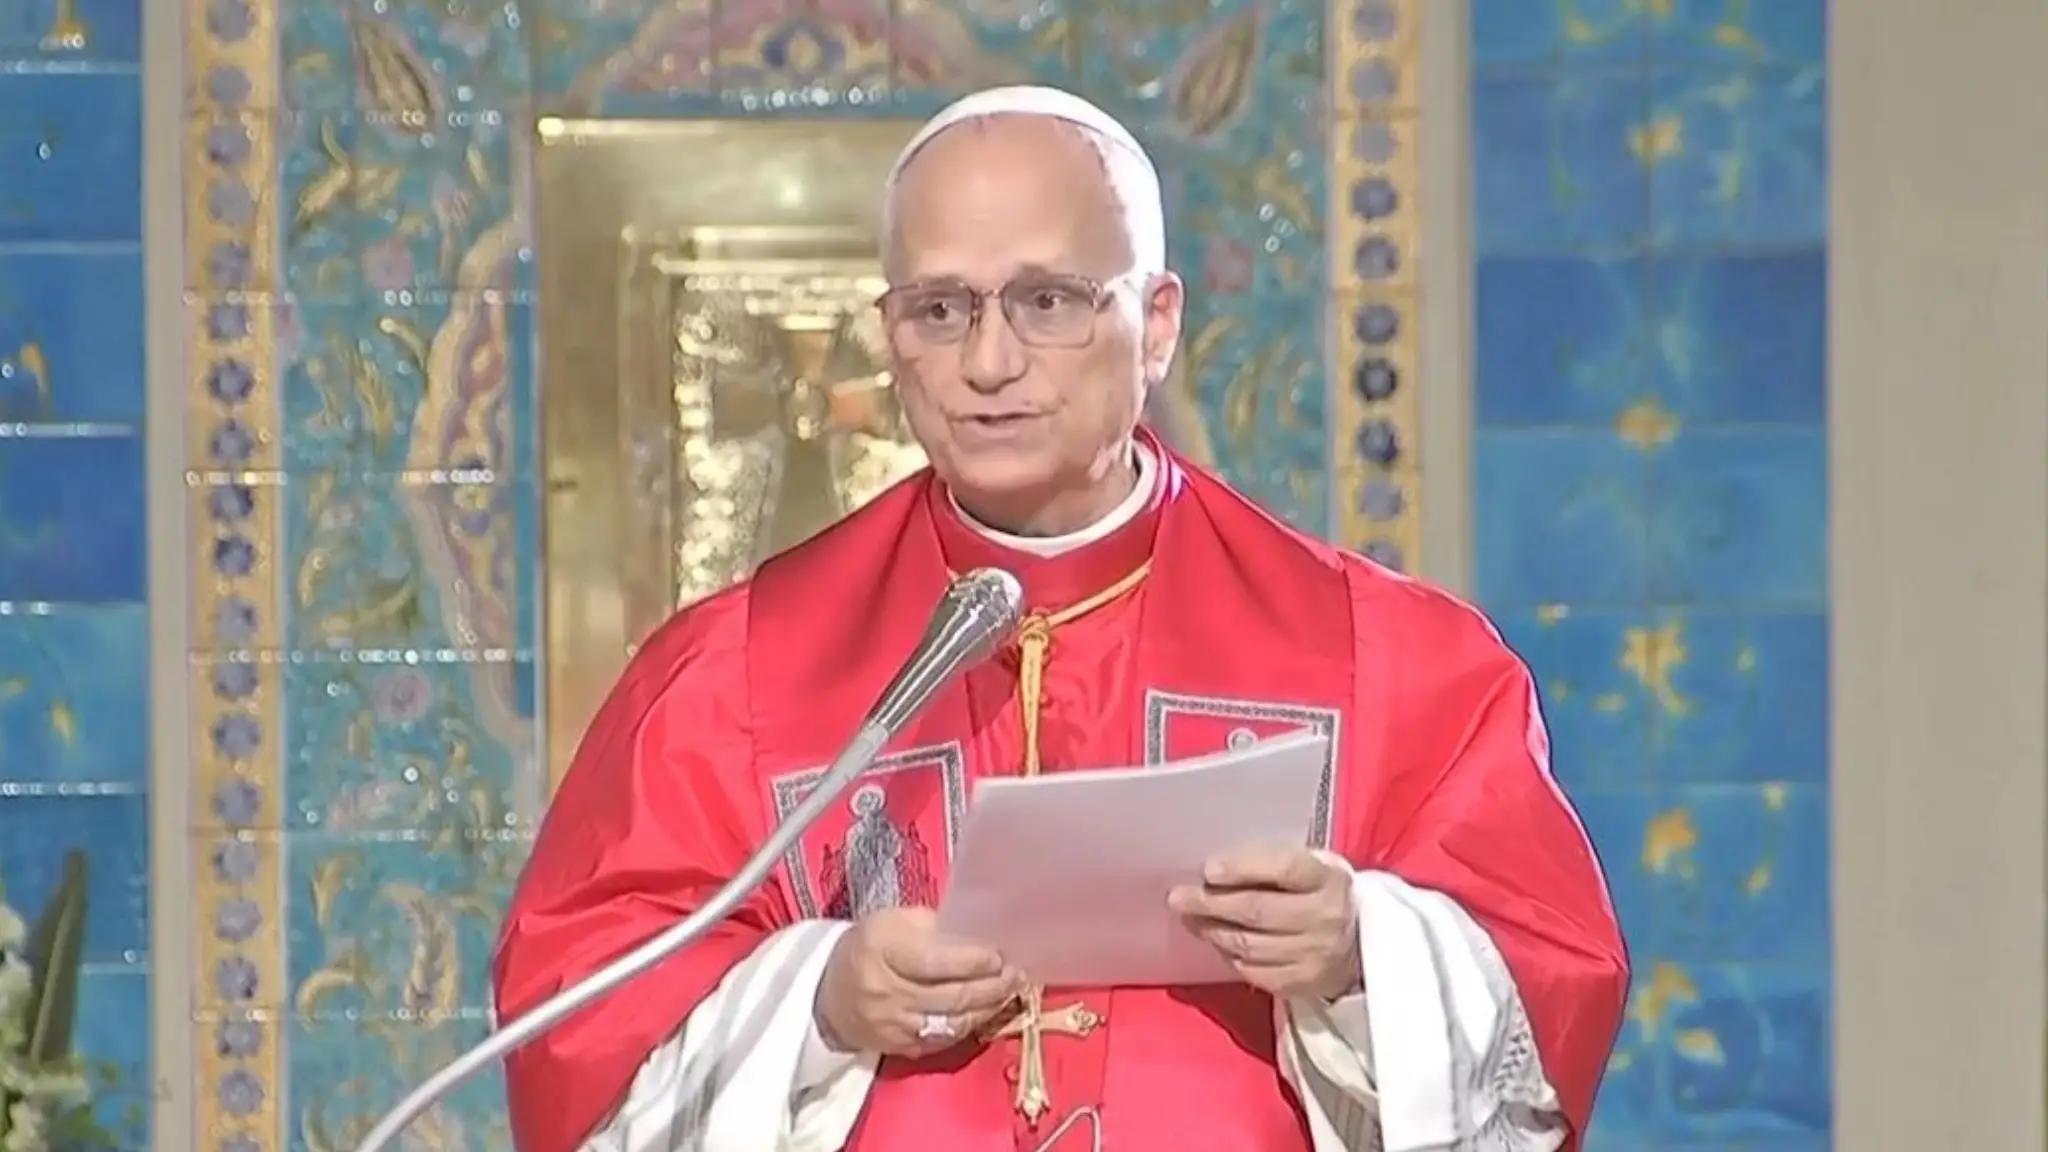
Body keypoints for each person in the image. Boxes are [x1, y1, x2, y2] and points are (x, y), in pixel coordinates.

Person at [492, 86, 1629, 1152]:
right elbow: (576, 1021)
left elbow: (1548, 987)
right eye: (941, 309)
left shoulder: (1389, 661)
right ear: (889, 334)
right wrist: (822, 1001)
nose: (989, 363)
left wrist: (1358, 955)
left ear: (1157, 323)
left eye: (1048, 301)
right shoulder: (729, 678)